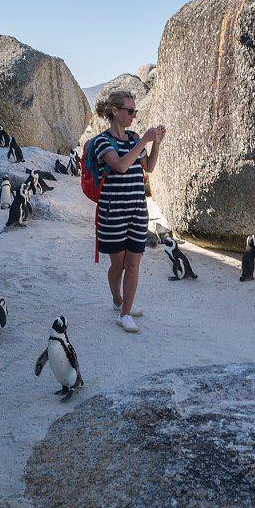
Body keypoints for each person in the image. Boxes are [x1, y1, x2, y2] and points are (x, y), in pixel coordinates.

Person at [93, 89, 165, 333]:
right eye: (130, 111)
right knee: (119, 264)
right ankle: (118, 300)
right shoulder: (102, 142)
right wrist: (145, 140)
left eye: (135, 111)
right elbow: (122, 166)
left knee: (133, 263)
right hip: (112, 212)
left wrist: (155, 143)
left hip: (137, 210)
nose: (134, 115)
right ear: (115, 112)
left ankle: (125, 313)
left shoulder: (135, 138)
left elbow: (150, 167)